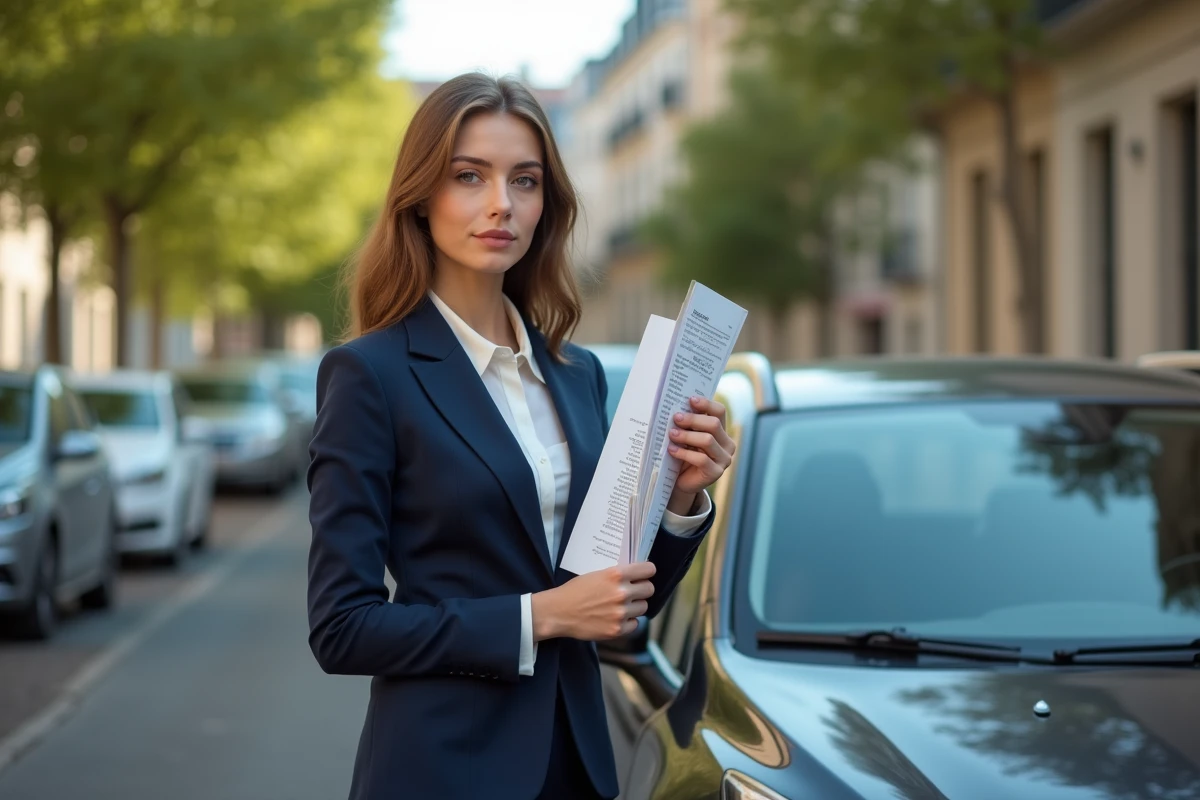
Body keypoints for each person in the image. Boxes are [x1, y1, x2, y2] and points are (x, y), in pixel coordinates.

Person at [306, 72, 736, 800]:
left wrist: (681, 502)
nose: (501, 203)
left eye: (525, 180)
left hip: (576, 766)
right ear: (421, 197)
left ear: (548, 204)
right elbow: (342, 628)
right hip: (441, 770)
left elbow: (615, 613)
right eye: (469, 176)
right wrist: (538, 617)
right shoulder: (369, 375)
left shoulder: (578, 376)